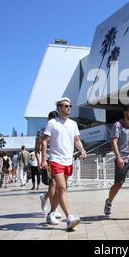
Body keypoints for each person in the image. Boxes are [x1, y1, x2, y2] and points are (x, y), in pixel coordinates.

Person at [41, 97, 87, 231]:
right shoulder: (52, 123)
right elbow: (44, 141)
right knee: (62, 188)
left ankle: (51, 213)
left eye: (69, 106)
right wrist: (44, 159)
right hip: (56, 160)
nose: (68, 108)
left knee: (60, 190)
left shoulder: (73, 124)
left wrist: (82, 150)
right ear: (59, 108)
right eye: (65, 106)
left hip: (68, 161)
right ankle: (70, 218)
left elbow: (76, 140)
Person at [38, 111, 62, 221]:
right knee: (53, 183)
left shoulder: (59, 129)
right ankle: (54, 210)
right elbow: (37, 149)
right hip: (47, 160)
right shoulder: (41, 132)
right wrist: (41, 161)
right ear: (48, 119)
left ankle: (45, 198)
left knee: (57, 184)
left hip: (57, 159)